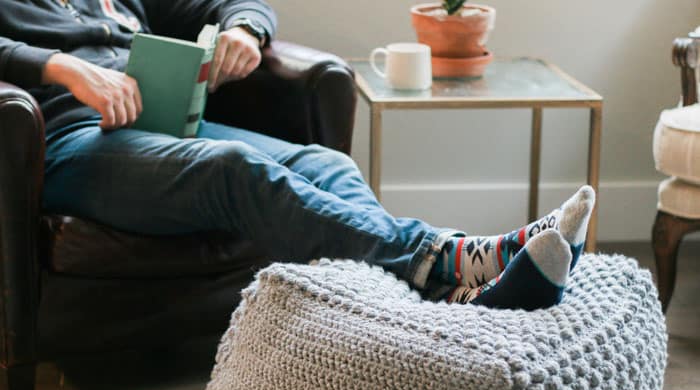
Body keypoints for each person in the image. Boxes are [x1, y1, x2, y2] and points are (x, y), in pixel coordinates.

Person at [0, 0, 595, 311]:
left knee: (325, 163)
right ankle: (453, 259)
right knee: (232, 168)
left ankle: (435, 300)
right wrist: (58, 66)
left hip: (161, 126)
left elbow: (231, 2)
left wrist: (244, 29)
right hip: (62, 143)